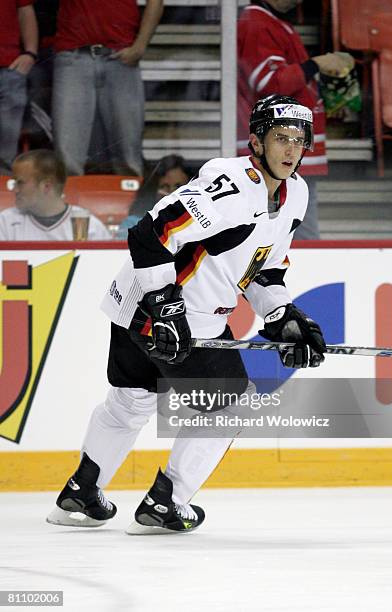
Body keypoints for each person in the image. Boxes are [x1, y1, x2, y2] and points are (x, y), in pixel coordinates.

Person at [47, 94, 327, 534]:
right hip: (176, 314)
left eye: (299, 140)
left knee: (130, 401)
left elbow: (263, 267)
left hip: (136, 306)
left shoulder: (296, 195)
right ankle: (167, 502)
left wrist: (282, 315)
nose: (291, 150)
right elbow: (149, 234)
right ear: (256, 141)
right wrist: (165, 306)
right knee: (233, 406)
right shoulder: (231, 185)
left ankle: (81, 494)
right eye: (280, 138)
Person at [238, 0, 350, 240]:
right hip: (279, 151)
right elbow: (270, 83)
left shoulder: (272, 21)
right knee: (289, 236)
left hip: (288, 149)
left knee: (296, 232)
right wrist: (316, 64)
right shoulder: (257, 22)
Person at [52, 0, 163, 176]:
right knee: (68, 159)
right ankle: (70, 201)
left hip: (116, 55)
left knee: (128, 153)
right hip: (76, 54)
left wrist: (140, 46)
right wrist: (140, 46)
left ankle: (130, 200)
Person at [0, 149, 111, 240]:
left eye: (20, 183)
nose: (14, 189)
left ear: (46, 186)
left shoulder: (86, 225)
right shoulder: (5, 222)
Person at [0, 0, 38, 174]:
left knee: (5, 154)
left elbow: (25, 10)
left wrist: (30, 52)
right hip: (9, 70)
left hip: (8, 67)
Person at [116, 154, 193, 239]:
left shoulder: (201, 223)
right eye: (164, 186)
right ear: (153, 191)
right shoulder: (134, 225)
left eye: (178, 187)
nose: (172, 193)